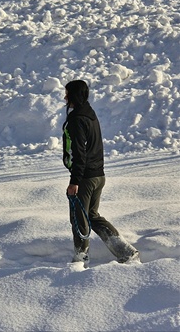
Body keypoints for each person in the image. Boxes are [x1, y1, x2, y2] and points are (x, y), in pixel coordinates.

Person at [62, 80, 139, 266]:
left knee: (79, 219)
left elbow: (80, 152)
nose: (65, 97)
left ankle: (80, 260)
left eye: (67, 94)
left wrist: (75, 181)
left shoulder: (77, 119)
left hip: (86, 178)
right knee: (92, 216)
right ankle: (126, 252)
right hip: (98, 175)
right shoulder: (90, 114)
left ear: (74, 95)